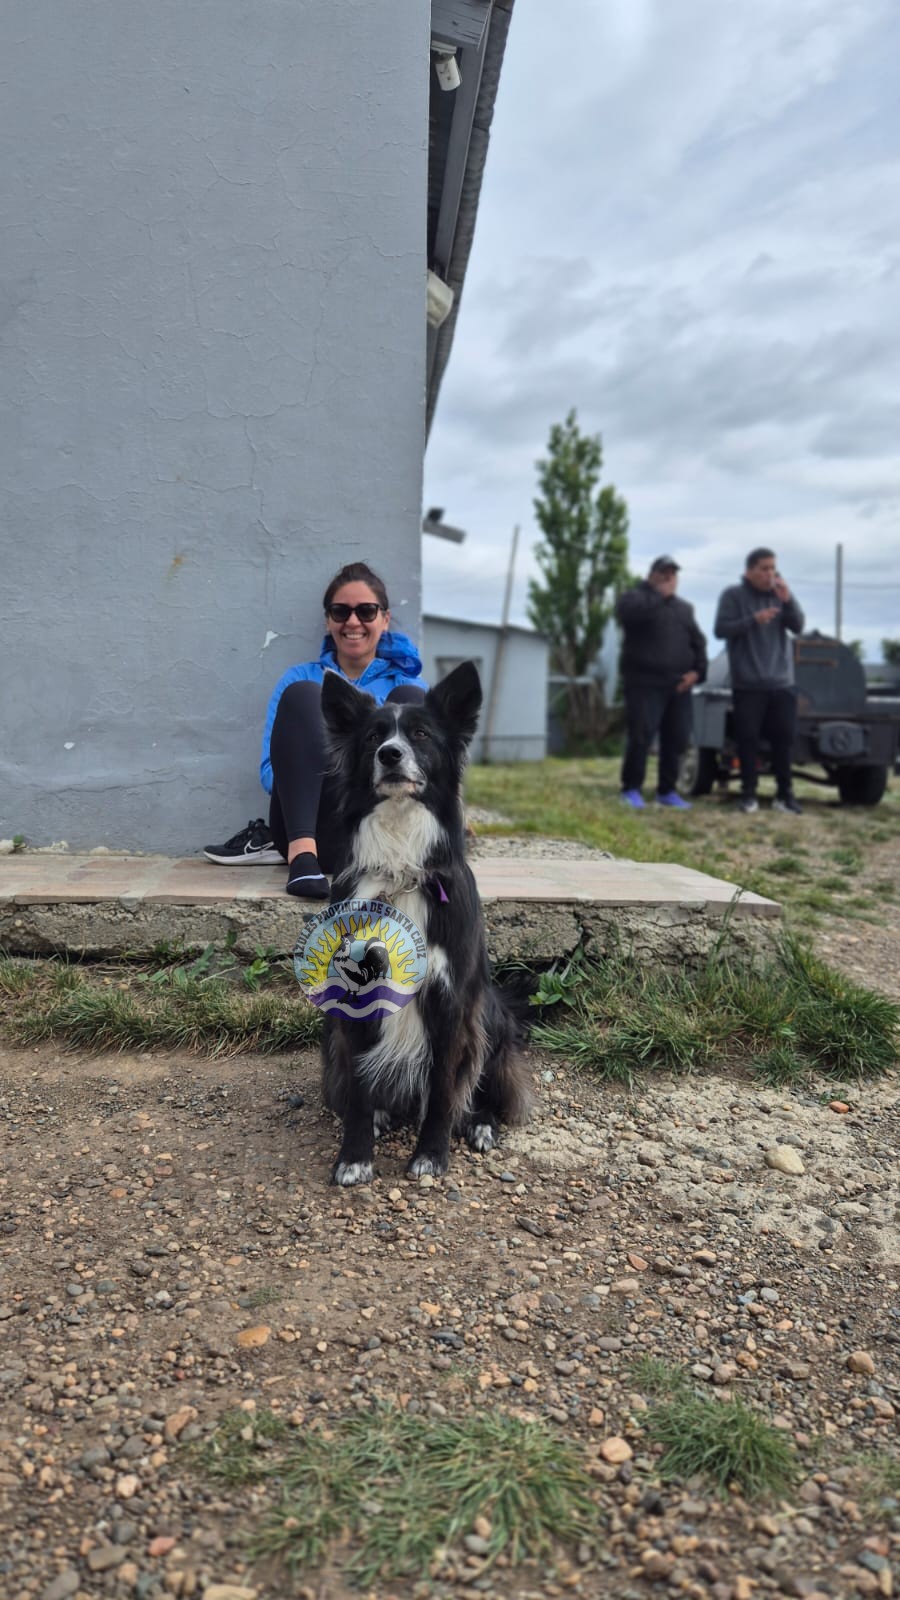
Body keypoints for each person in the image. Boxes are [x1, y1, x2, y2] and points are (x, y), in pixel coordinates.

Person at [203, 562, 426, 895]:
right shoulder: (299, 678)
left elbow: (433, 775)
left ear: (384, 618)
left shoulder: (407, 683)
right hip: (321, 831)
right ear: (328, 620)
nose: (353, 622)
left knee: (411, 700)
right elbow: (270, 773)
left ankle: (411, 862)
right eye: (341, 611)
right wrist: (329, 767)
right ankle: (302, 859)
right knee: (304, 695)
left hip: (386, 829)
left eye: (366, 611)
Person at [713, 547, 805, 815]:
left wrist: (788, 600)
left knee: (784, 739)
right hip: (748, 683)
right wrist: (753, 620)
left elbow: (798, 626)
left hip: (782, 682)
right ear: (749, 571)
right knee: (748, 740)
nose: (770, 574)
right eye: (764, 569)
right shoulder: (733, 595)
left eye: (773, 568)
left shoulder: (781, 595)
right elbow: (720, 629)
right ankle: (748, 795)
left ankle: (784, 795)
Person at [615, 556, 708, 810]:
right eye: (664, 573)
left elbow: (698, 642)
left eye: (673, 574)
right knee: (641, 737)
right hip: (644, 683)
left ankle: (667, 791)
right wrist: (658, 596)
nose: (669, 578)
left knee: (676, 739)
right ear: (651, 576)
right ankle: (631, 789)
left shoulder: (684, 609)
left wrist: (697, 672)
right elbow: (630, 617)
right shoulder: (634, 598)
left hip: (679, 685)